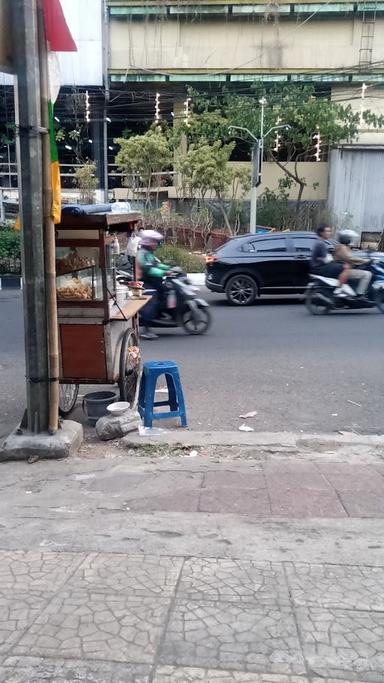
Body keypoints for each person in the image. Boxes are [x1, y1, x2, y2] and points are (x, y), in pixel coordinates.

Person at [137, 230, 171, 340]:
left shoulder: (149, 254)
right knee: (152, 299)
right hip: (144, 283)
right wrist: (164, 272)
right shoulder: (142, 254)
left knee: (165, 290)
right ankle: (146, 330)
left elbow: (157, 265)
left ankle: (160, 313)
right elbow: (149, 270)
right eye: (155, 242)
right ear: (149, 242)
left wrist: (170, 268)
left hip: (152, 281)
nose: (157, 244)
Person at [310, 224, 351, 296]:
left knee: (338, 266)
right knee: (346, 267)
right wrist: (333, 260)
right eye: (327, 231)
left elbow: (322, 257)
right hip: (320, 268)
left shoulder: (319, 242)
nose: (329, 233)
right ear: (322, 233)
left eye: (330, 231)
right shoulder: (321, 243)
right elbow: (326, 259)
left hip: (318, 267)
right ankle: (339, 289)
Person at [334, 230, 372, 297]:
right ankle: (360, 294)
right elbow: (350, 258)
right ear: (345, 239)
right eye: (349, 239)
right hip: (344, 270)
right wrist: (365, 261)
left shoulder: (342, 247)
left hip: (343, 268)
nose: (350, 240)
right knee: (367, 274)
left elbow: (350, 257)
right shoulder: (342, 247)